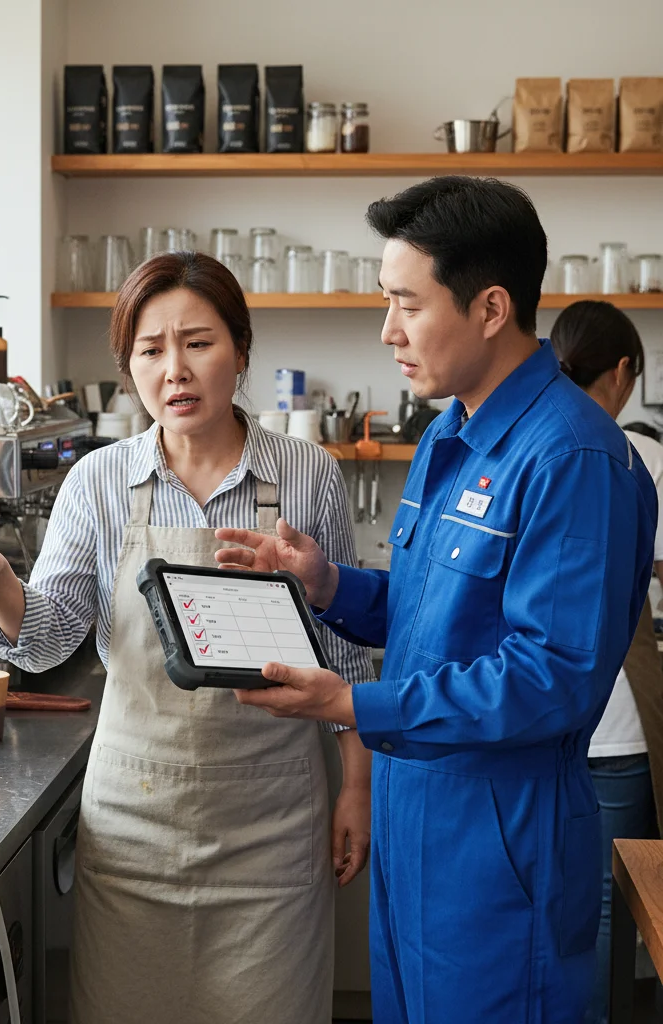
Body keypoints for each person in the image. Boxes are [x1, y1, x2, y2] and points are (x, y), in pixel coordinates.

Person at [214, 177, 657, 1022]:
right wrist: (329, 584)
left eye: (406, 306)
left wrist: (354, 700)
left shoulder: (574, 459)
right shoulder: (450, 434)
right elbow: (432, 613)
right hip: (415, 813)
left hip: (501, 840)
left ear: (491, 308)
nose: (388, 333)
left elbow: (550, 676)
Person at [0, 252, 374, 1024]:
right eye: (150, 350)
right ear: (129, 367)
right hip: (134, 823)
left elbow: (343, 649)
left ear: (241, 351)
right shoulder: (98, 479)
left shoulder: (305, 474)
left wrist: (357, 787)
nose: (175, 370)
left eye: (197, 342)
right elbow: (49, 636)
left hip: (275, 823)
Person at [550, 300, 663, 1024]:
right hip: (617, 722)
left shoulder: (536, 443)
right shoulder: (635, 453)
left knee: (560, 899)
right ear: (622, 371)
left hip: (548, 718)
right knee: (611, 904)